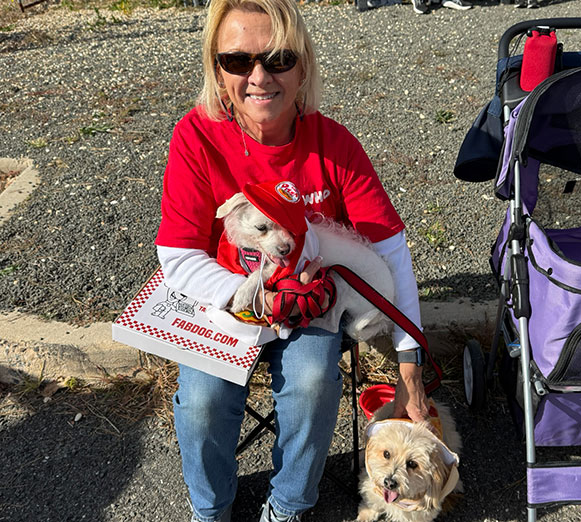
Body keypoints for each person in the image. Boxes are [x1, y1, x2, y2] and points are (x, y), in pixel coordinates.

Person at [154, 0, 429, 520]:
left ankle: (289, 504)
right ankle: (210, 510)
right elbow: (178, 255)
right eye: (237, 61)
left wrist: (410, 369)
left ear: (303, 67)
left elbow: (392, 254)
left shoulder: (334, 144)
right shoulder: (195, 136)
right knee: (204, 401)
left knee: (311, 382)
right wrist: (249, 296)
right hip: (226, 296)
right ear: (217, 69)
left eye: (278, 59)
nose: (258, 77)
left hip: (313, 300)